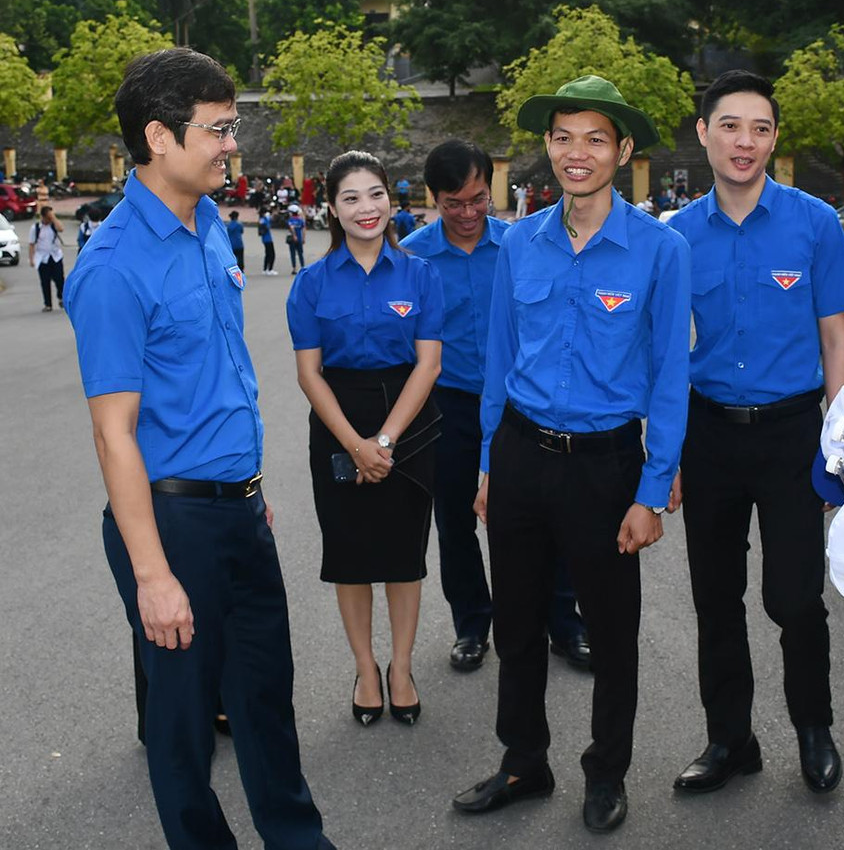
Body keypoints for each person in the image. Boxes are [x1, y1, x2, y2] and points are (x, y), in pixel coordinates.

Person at [65, 47, 335, 850]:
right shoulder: (113, 267)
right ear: (158, 135)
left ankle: (297, 838)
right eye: (216, 130)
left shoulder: (209, 223)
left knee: (264, 697)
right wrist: (153, 575)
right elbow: (114, 432)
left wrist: (245, 482)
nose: (230, 145)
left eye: (232, 127)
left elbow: (218, 372)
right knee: (182, 725)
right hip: (170, 525)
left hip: (237, 509)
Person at [453, 75, 690, 834]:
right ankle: (523, 761)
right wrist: (490, 462)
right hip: (521, 452)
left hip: (605, 463)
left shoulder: (661, 248)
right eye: (562, 137)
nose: (575, 153)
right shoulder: (518, 241)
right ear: (547, 147)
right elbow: (498, 358)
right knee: (516, 625)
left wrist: (652, 491)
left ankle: (606, 770)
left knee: (612, 630)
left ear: (623, 150)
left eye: (594, 138)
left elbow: (671, 377)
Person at [665, 70, 844, 798]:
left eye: (759, 128)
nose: (743, 141)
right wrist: (667, 456)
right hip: (707, 435)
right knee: (715, 598)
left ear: (775, 138)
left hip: (791, 437)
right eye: (729, 125)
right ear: (704, 134)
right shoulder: (678, 236)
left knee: (793, 598)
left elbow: (836, 336)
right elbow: (662, 355)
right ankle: (730, 739)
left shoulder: (813, 222)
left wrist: (840, 445)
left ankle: (815, 728)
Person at [401, 140, 589, 675]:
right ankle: (471, 623)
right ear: (432, 198)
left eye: (478, 199)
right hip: (449, 408)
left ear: (492, 189)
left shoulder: (521, 243)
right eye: (452, 203)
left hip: (521, 405)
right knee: (456, 521)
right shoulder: (414, 257)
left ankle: (565, 622)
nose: (467, 214)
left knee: (544, 517)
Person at [287, 151, 443, 728]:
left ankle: (400, 667)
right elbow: (309, 374)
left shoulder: (421, 275)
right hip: (336, 421)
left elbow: (427, 366)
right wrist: (356, 444)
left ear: (390, 198)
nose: (366, 208)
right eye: (350, 198)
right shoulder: (310, 283)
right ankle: (365, 668)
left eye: (375, 194)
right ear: (331, 208)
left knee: (404, 557)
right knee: (350, 557)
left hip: (409, 418)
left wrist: (385, 439)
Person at [29, 204, 65, 311]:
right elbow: (31, 244)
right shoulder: (35, 228)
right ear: (43, 217)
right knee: (45, 282)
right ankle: (48, 304)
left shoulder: (54, 225)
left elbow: (61, 229)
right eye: (48, 217)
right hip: (42, 257)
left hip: (55, 256)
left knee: (59, 279)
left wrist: (53, 218)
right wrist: (31, 259)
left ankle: (61, 297)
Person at [286, 204, 306, 274]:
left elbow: (291, 227)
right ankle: (303, 266)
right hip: (300, 238)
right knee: (300, 253)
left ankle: (294, 268)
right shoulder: (300, 220)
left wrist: (294, 236)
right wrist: (303, 238)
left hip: (292, 239)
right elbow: (303, 229)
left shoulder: (290, 220)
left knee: (293, 254)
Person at [259, 204, 277, 275]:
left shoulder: (263, 218)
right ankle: (270, 269)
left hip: (266, 238)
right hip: (267, 239)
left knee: (267, 254)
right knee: (272, 254)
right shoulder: (263, 219)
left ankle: (265, 269)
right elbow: (266, 227)